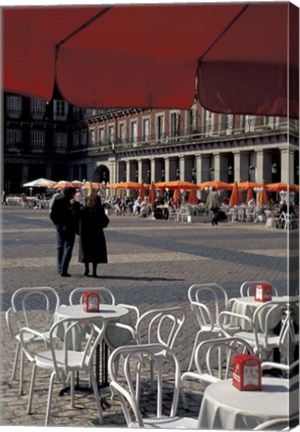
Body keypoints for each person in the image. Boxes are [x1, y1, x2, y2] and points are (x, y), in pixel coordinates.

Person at [49, 187, 80, 277]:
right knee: (68, 248)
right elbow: (77, 216)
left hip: (60, 228)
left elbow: (52, 214)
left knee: (60, 248)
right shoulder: (74, 204)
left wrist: (57, 223)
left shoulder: (58, 201)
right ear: (72, 194)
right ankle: (64, 270)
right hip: (70, 229)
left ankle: (59, 268)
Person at [79, 193, 109, 277]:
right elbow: (106, 220)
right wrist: (101, 226)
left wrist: (80, 232)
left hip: (86, 234)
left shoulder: (85, 209)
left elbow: (80, 221)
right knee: (95, 253)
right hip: (97, 234)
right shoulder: (99, 209)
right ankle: (94, 271)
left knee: (86, 252)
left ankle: (86, 269)